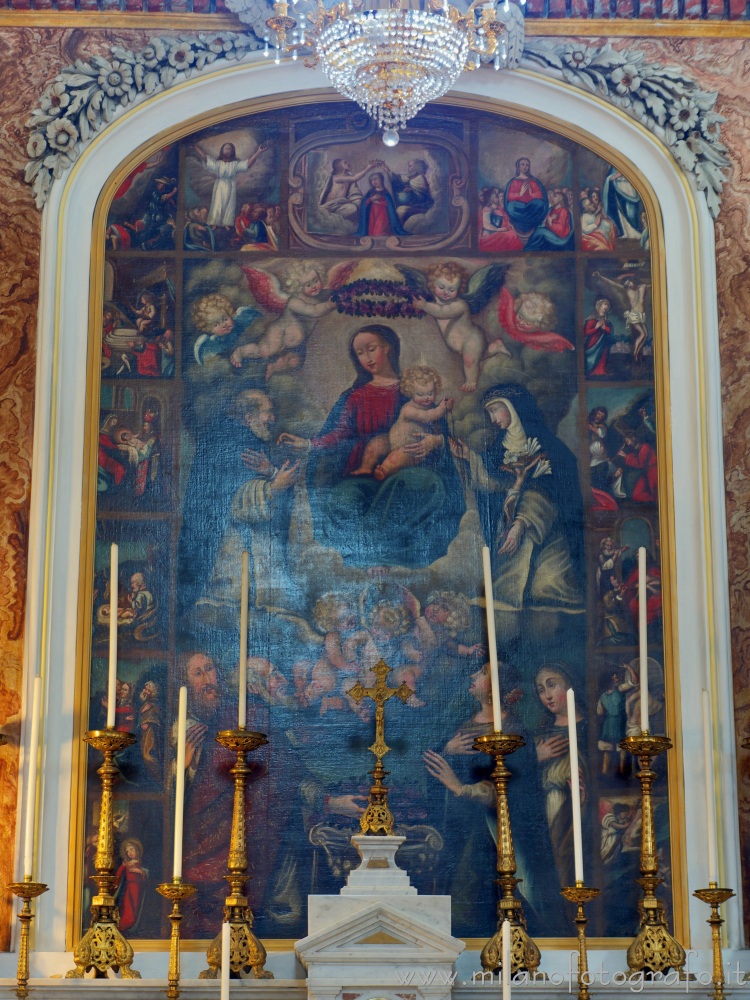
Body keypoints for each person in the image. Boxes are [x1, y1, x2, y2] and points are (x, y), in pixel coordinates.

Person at [278, 324, 465, 568]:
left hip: (410, 473)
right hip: (365, 477)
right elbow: (339, 434)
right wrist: (308, 444)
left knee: (424, 485)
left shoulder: (416, 391)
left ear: (388, 348)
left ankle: (368, 554)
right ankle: (375, 552)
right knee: (341, 498)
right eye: (359, 353)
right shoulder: (354, 397)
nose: (366, 357)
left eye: (371, 349)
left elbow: (440, 432)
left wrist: (435, 442)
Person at [423, 663, 565, 937]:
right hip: (461, 828)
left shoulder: (513, 729)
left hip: (493, 833)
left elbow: (517, 786)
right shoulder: (462, 726)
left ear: (497, 686)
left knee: (482, 896)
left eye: (482, 673)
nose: (473, 675)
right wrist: (447, 750)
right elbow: (434, 769)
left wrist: (461, 787)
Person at [450, 383, 584, 611]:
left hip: (547, 525)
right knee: (508, 525)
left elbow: (552, 490)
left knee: (550, 590)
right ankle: (505, 591)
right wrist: (469, 457)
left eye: (495, 410)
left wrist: (521, 523)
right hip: (512, 520)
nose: (492, 418)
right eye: (488, 413)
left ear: (514, 407)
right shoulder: (497, 448)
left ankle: (534, 582)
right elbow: (494, 486)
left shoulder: (548, 446)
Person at [177, 390, 299, 622]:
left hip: (250, 549)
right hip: (227, 551)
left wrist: (273, 475)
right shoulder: (230, 442)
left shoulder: (249, 440)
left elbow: (268, 485)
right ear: (247, 416)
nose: (273, 419)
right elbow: (233, 502)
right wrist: (274, 487)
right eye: (268, 413)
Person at [533, 662, 588, 889]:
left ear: (570, 685)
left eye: (552, 685)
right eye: (540, 690)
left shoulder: (589, 727)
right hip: (545, 806)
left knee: (570, 860)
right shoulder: (541, 733)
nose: (546, 695)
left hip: (575, 806)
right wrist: (536, 757)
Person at [351, 365, 454, 481]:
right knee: (374, 445)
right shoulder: (408, 409)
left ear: (436, 391)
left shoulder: (430, 407)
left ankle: (384, 470)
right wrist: (442, 408)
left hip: (410, 447)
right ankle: (365, 467)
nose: (426, 398)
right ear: (411, 392)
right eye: (420, 394)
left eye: (430, 394)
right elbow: (427, 417)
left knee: (395, 458)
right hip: (391, 439)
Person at [191, 140, 270, 228]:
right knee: (217, 203)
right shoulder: (218, 164)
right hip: (220, 185)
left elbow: (248, 164)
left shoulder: (235, 164)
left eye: (229, 148)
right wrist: (196, 148)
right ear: (222, 151)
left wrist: (258, 151)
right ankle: (214, 223)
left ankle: (226, 223)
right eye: (226, 148)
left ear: (232, 151)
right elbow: (206, 159)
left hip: (230, 185)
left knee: (229, 204)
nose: (227, 150)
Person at [503, 157, 549, 240]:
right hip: (519, 208)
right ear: (518, 166)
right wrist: (520, 194)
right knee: (511, 206)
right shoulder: (514, 181)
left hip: (531, 208)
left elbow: (540, 195)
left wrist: (531, 194)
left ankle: (529, 223)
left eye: (527, 165)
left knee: (539, 204)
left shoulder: (533, 181)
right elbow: (509, 197)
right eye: (523, 164)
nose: (525, 167)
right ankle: (522, 223)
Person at [383, 158, 434, 224]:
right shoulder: (412, 178)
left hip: (422, 206)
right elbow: (401, 180)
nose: (408, 168)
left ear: (417, 168)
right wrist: (387, 170)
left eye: (410, 166)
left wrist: (411, 190)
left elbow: (403, 183)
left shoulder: (420, 178)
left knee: (400, 211)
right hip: (414, 205)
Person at [355, 172, 406, 237]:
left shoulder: (386, 192)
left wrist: (379, 202)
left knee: (380, 231)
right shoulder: (370, 192)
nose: (374, 181)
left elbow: (390, 206)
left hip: (383, 215)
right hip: (372, 215)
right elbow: (364, 203)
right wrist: (371, 199)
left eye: (376, 178)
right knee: (373, 232)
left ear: (381, 179)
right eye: (372, 180)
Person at [115, 838, 148, 933]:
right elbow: (119, 873)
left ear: (137, 850)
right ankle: (126, 923)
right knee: (127, 905)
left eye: (132, 849)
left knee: (135, 906)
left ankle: (132, 922)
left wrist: (140, 871)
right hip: (129, 888)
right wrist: (116, 883)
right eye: (127, 851)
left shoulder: (140, 862)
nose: (129, 852)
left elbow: (145, 875)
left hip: (137, 888)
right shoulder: (126, 863)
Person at [478, 186, 523, 252]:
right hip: (489, 235)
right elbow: (487, 225)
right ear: (490, 197)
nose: (498, 196)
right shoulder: (487, 209)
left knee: (512, 235)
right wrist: (499, 229)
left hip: (497, 233)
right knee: (511, 236)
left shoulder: (498, 208)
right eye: (495, 194)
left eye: (498, 194)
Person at [584, 297, 614, 377]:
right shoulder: (592, 319)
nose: (606, 307)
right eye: (605, 304)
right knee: (593, 357)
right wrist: (596, 327)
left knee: (603, 356)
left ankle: (602, 371)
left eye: (608, 305)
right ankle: (592, 371)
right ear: (599, 306)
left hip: (603, 343)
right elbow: (586, 332)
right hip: (593, 343)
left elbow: (610, 331)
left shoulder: (607, 321)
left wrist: (604, 328)